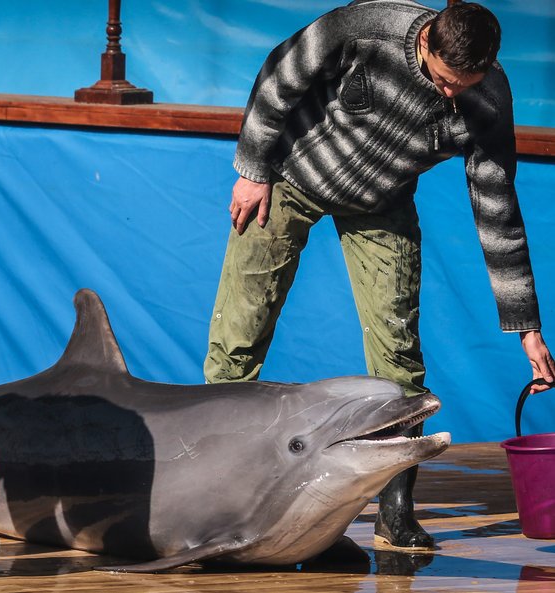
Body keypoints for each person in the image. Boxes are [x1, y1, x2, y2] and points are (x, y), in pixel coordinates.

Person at [204, 0, 555, 551]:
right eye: (443, 81)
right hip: (290, 176)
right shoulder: (366, 29)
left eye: (465, 85)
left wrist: (526, 326)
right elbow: (279, 76)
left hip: (381, 203)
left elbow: (498, 212)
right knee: (239, 336)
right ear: (426, 43)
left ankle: (396, 511)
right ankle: (218, 492)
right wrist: (252, 169)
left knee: (399, 356)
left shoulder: (486, 98)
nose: (450, 96)